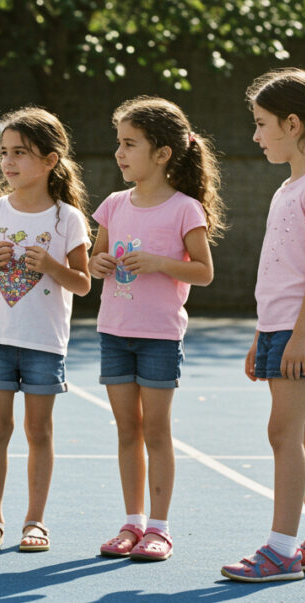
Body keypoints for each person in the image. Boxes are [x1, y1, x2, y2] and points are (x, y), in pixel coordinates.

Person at [221, 68, 305, 582]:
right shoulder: (291, 186)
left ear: (293, 124)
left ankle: (280, 552)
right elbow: (282, 269)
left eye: (261, 124)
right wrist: (264, 334)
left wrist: (299, 336)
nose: (255, 136)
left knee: (282, 433)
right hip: (284, 328)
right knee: (302, 435)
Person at [90, 97, 225, 562]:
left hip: (160, 336)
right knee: (127, 430)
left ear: (163, 153)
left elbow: (204, 272)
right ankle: (132, 522)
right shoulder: (111, 205)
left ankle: (160, 528)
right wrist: (98, 263)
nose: (119, 153)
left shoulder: (185, 210)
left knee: (156, 432)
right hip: (114, 332)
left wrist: (158, 264)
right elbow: (93, 262)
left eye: (130, 144)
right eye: (118, 143)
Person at [0, 107, 91, 553]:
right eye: (4, 153)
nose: (9, 162)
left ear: (51, 160)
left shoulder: (67, 218)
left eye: (20, 152)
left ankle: (35, 521)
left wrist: (53, 266)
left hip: (43, 343)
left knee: (40, 432)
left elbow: (83, 282)